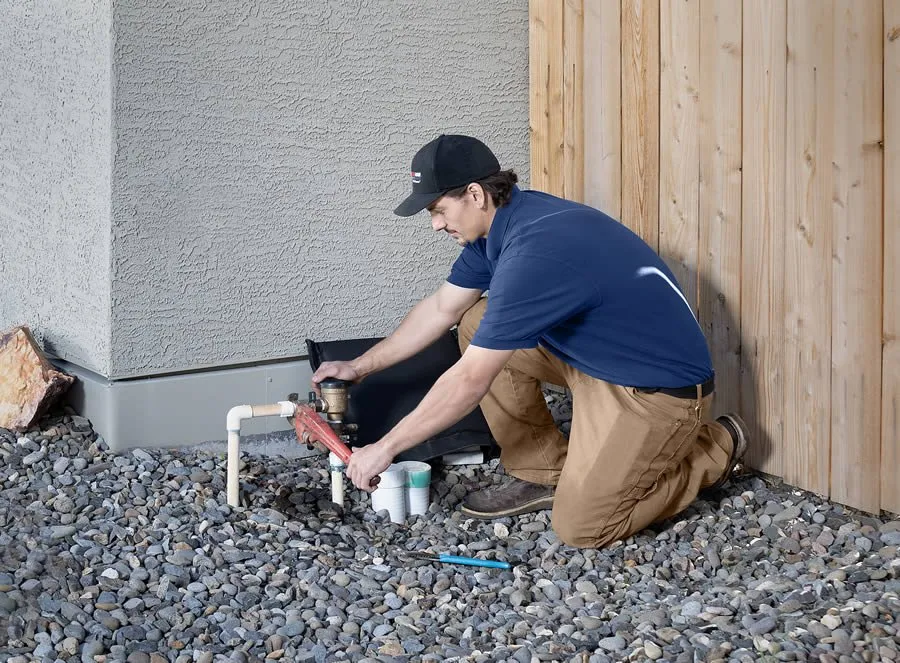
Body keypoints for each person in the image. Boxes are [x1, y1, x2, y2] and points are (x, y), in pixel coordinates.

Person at [311, 134, 749, 548]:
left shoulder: (535, 252)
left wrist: (385, 448)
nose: (435, 225)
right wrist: (358, 367)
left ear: (476, 195)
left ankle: (713, 447)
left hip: (655, 393)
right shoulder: (506, 222)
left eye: (439, 210)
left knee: (584, 527)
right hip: (598, 362)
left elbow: (469, 382)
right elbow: (442, 308)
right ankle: (545, 471)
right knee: (474, 319)